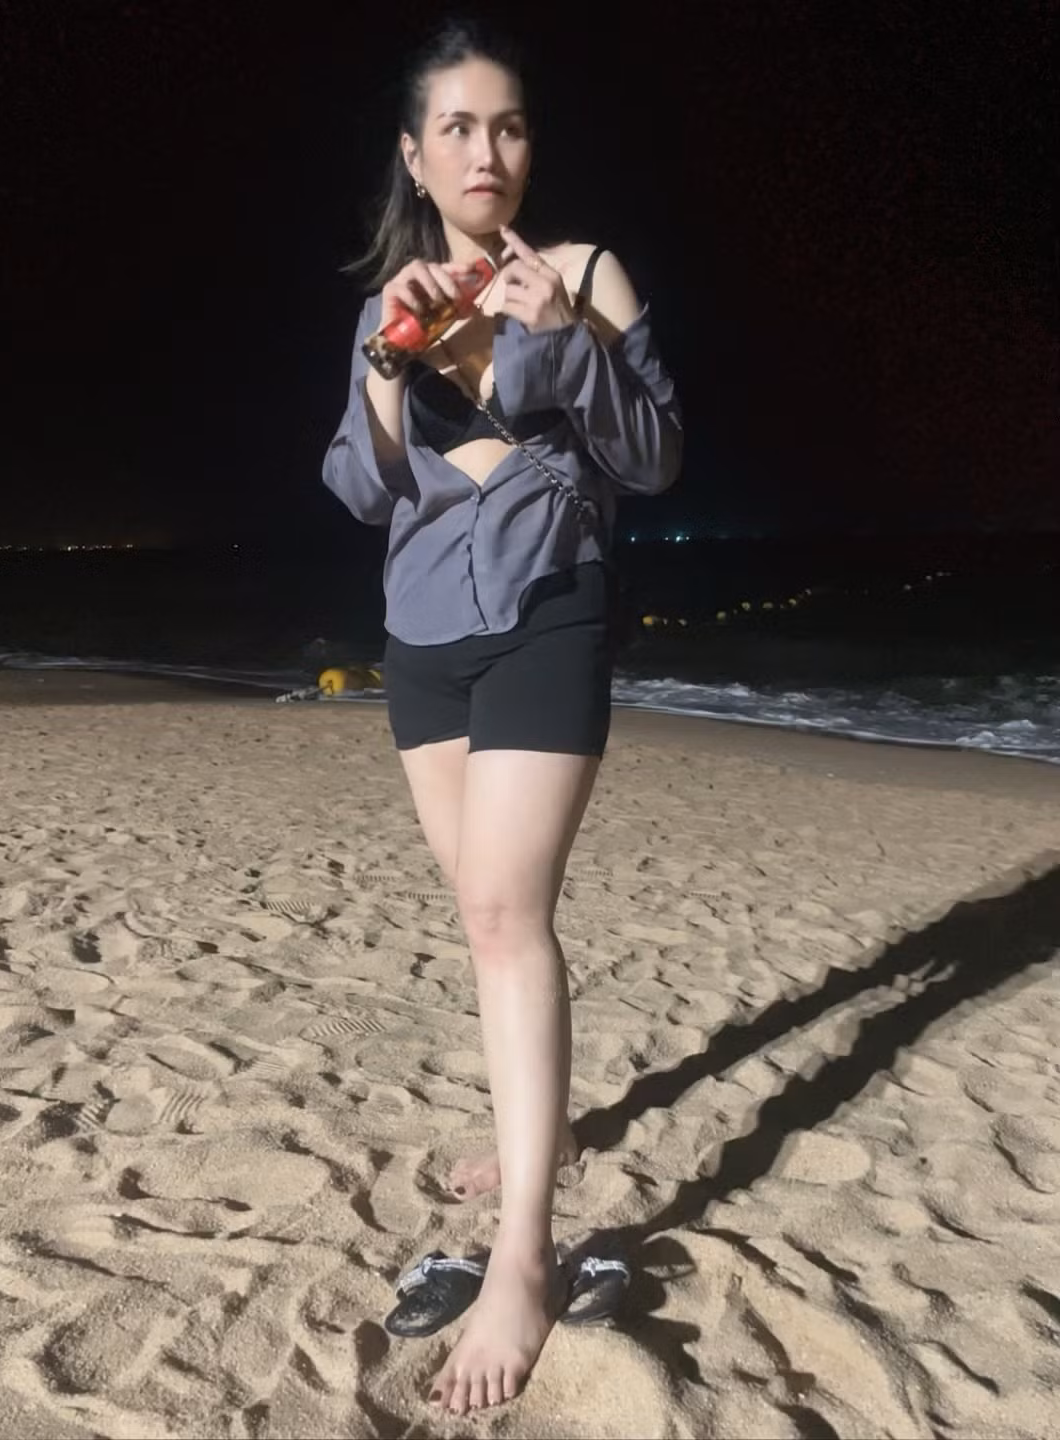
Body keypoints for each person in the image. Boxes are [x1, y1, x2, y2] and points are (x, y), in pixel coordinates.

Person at [321, 17, 682, 1417]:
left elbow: (654, 457)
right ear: (415, 156)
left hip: (550, 610)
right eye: (459, 128)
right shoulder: (389, 303)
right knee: (483, 916)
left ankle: (521, 1256)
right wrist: (383, 366)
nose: (488, 150)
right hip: (422, 640)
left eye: (510, 125)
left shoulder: (583, 274)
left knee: (502, 913)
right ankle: (545, 1127)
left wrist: (565, 340)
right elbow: (365, 490)